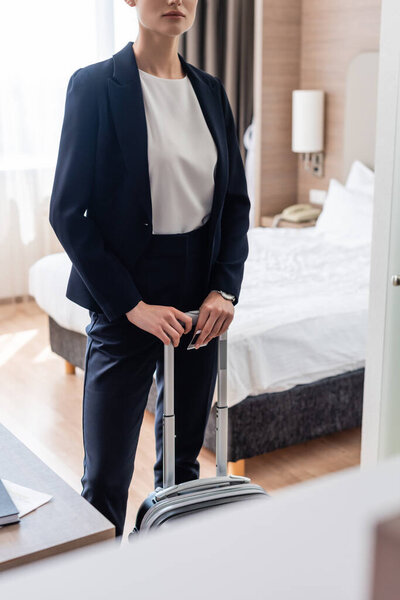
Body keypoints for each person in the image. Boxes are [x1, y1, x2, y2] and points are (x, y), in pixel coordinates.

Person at [49, 0, 251, 539]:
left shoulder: (211, 92)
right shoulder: (94, 86)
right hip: (124, 298)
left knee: (182, 472)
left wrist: (224, 289)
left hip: (198, 306)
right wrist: (131, 306)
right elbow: (68, 213)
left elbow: (234, 204)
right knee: (106, 480)